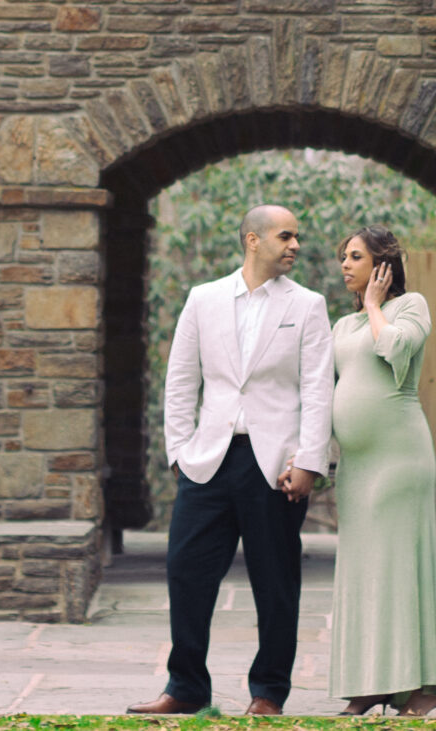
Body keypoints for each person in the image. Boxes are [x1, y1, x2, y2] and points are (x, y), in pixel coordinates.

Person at [129, 204, 335, 717]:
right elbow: (181, 380)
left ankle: (268, 692)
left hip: (275, 465)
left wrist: (310, 460)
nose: (294, 246)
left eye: (296, 238)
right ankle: (187, 687)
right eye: (285, 237)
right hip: (208, 461)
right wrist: (178, 450)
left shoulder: (308, 305)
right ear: (252, 239)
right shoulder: (203, 299)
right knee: (186, 571)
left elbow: (317, 388)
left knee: (276, 581)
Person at [328, 227, 436, 717]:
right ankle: (370, 683)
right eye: (343, 257)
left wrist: (376, 305)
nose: (344, 264)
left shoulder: (409, 306)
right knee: (363, 574)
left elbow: (395, 350)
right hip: (356, 466)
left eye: (355, 256)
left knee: (400, 569)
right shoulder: (341, 325)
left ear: (383, 265)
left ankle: (423, 687)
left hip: (399, 459)